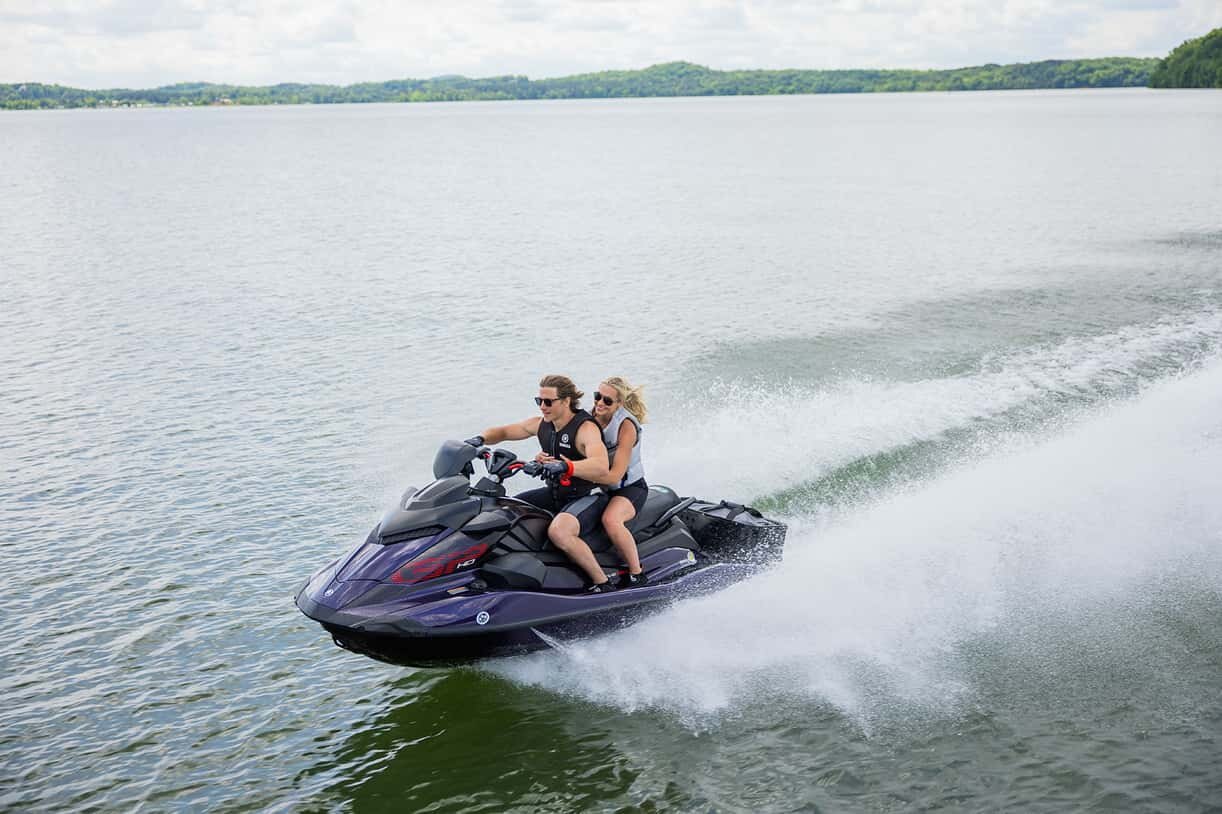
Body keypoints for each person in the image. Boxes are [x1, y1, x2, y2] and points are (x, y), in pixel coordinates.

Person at [465, 375, 618, 592]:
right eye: (539, 401)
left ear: (566, 401)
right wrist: (479, 440)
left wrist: (565, 466)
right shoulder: (542, 424)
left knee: (559, 532)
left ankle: (602, 583)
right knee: (503, 512)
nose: (542, 407)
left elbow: (601, 466)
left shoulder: (585, 429)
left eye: (548, 402)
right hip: (556, 493)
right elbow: (505, 432)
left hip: (588, 495)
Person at [589, 376, 650, 588]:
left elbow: (616, 475)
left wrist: (578, 471)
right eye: (597, 396)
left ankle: (637, 574)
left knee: (611, 520)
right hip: (600, 488)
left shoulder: (626, 426)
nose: (599, 403)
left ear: (619, 403)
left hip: (629, 489)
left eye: (607, 400)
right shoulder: (589, 418)